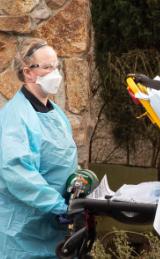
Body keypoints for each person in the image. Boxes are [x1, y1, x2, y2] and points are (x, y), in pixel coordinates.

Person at [0, 38, 77, 258]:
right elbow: (17, 172)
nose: (56, 74)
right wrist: (59, 206)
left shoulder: (55, 113)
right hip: (23, 232)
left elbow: (64, 159)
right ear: (28, 72)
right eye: (48, 67)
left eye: (57, 66)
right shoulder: (16, 117)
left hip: (51, 229)